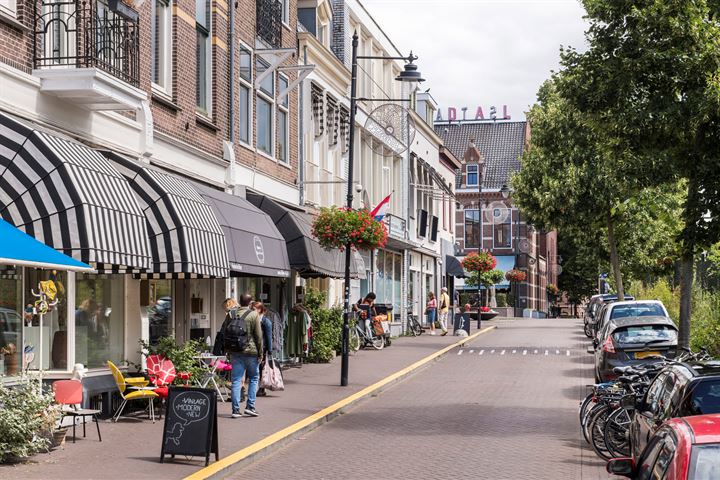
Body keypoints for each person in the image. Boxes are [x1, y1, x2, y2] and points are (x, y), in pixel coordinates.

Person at [222, 294, 263, 418]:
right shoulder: (253, 314)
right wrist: (260, 353)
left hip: (235, 352)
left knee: (236, 380)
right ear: (250, 302)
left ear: (239, 301)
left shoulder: (230, 314)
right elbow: (258, 336)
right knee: (254, 378)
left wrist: (227, 351)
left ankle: (235, 410)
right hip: (251, 352)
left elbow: (224, 332)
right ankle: (250, 407)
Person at [254, 302, 273, 397]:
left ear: (260, 310)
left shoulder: (266, 322)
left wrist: (269, 350)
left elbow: (269, 336)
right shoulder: (253, 319)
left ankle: (262, 388)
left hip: (263, 348)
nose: (253, 311)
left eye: (255, 309)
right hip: (254, 347)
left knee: (262, 368)